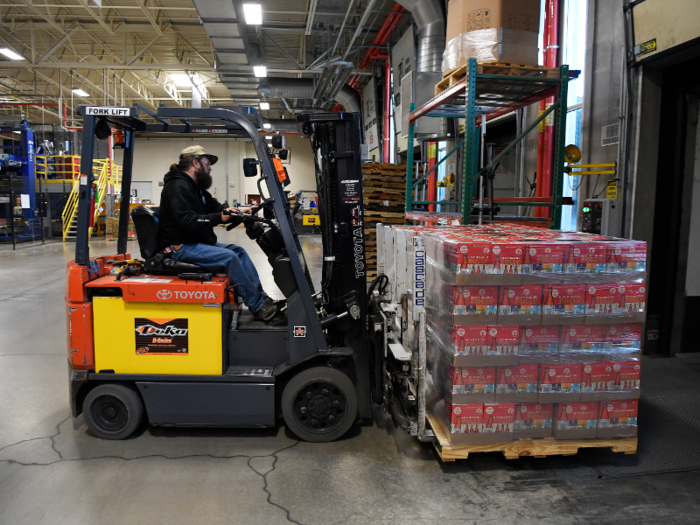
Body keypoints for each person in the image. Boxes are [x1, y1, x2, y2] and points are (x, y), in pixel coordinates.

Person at [157, 145, 280, 322]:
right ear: (195, 163)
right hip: (180, 246)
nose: (210, 167)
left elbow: (218, 209)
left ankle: (261, 297)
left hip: (195, 242)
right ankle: (258, 306)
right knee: (229, 257)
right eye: (207, 163)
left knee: (239, 251)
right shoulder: (178, 187)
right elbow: (187, 221)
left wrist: (241, 211)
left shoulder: (197, 189)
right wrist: (218, 218)